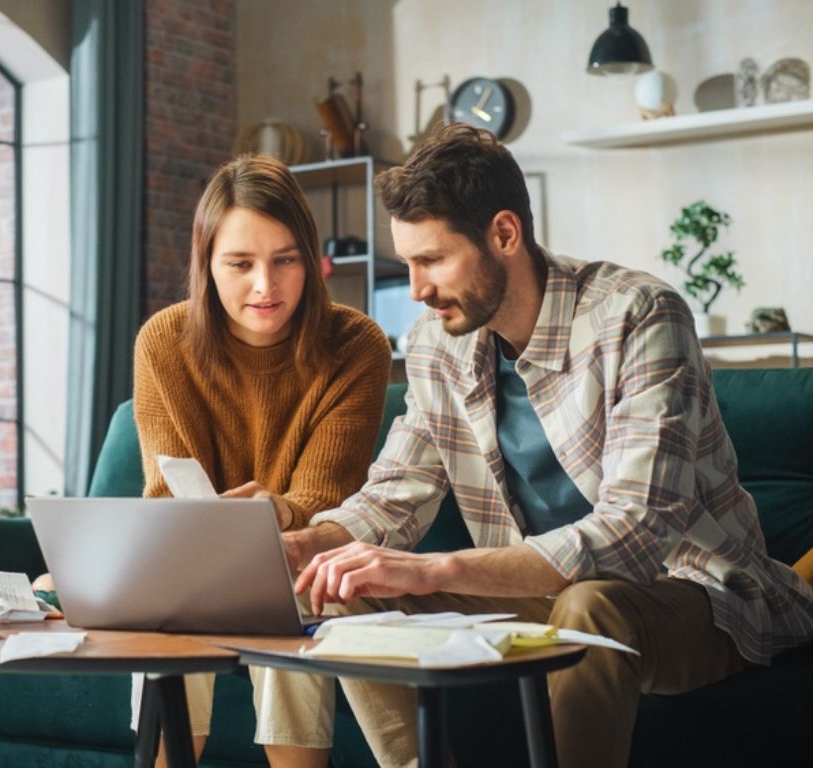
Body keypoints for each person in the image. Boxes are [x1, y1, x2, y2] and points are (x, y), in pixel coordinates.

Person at [281, 124, 813, 768]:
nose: (416, 289)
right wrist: (307, 545)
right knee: (340, 583)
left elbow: (635, 531)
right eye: (409, 262)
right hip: (537, 596)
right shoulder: (435, 344)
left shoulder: (639, 314)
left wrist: (439, 568)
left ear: (504, 234)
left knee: (590, 605)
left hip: (692, 591)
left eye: (433, 260)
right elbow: (395, 494)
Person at [131, 153, 392, 767]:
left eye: (285, 260)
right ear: (207, 263)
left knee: (290, 587)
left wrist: (278, 512)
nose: (265, 287)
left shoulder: (357, 344)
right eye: (240, 264)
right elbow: (167, 500)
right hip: (191, 560)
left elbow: (328, 502)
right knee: (169, 598)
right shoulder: (163, 342)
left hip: (301, 559)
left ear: (312, 260)